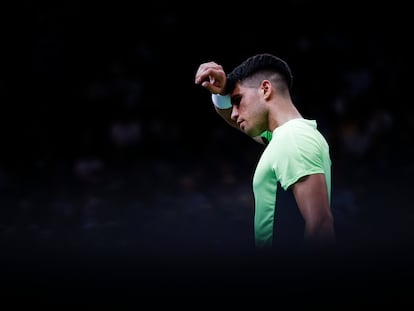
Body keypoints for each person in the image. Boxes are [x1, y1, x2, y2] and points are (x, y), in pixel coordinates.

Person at [195, 53, 335, 253]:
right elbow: (233, 119)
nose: (234, 113)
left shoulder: (293, 138)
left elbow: (321, 224)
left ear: (265, 89)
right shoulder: (286, 138)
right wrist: (222, 92)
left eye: (238, 100)